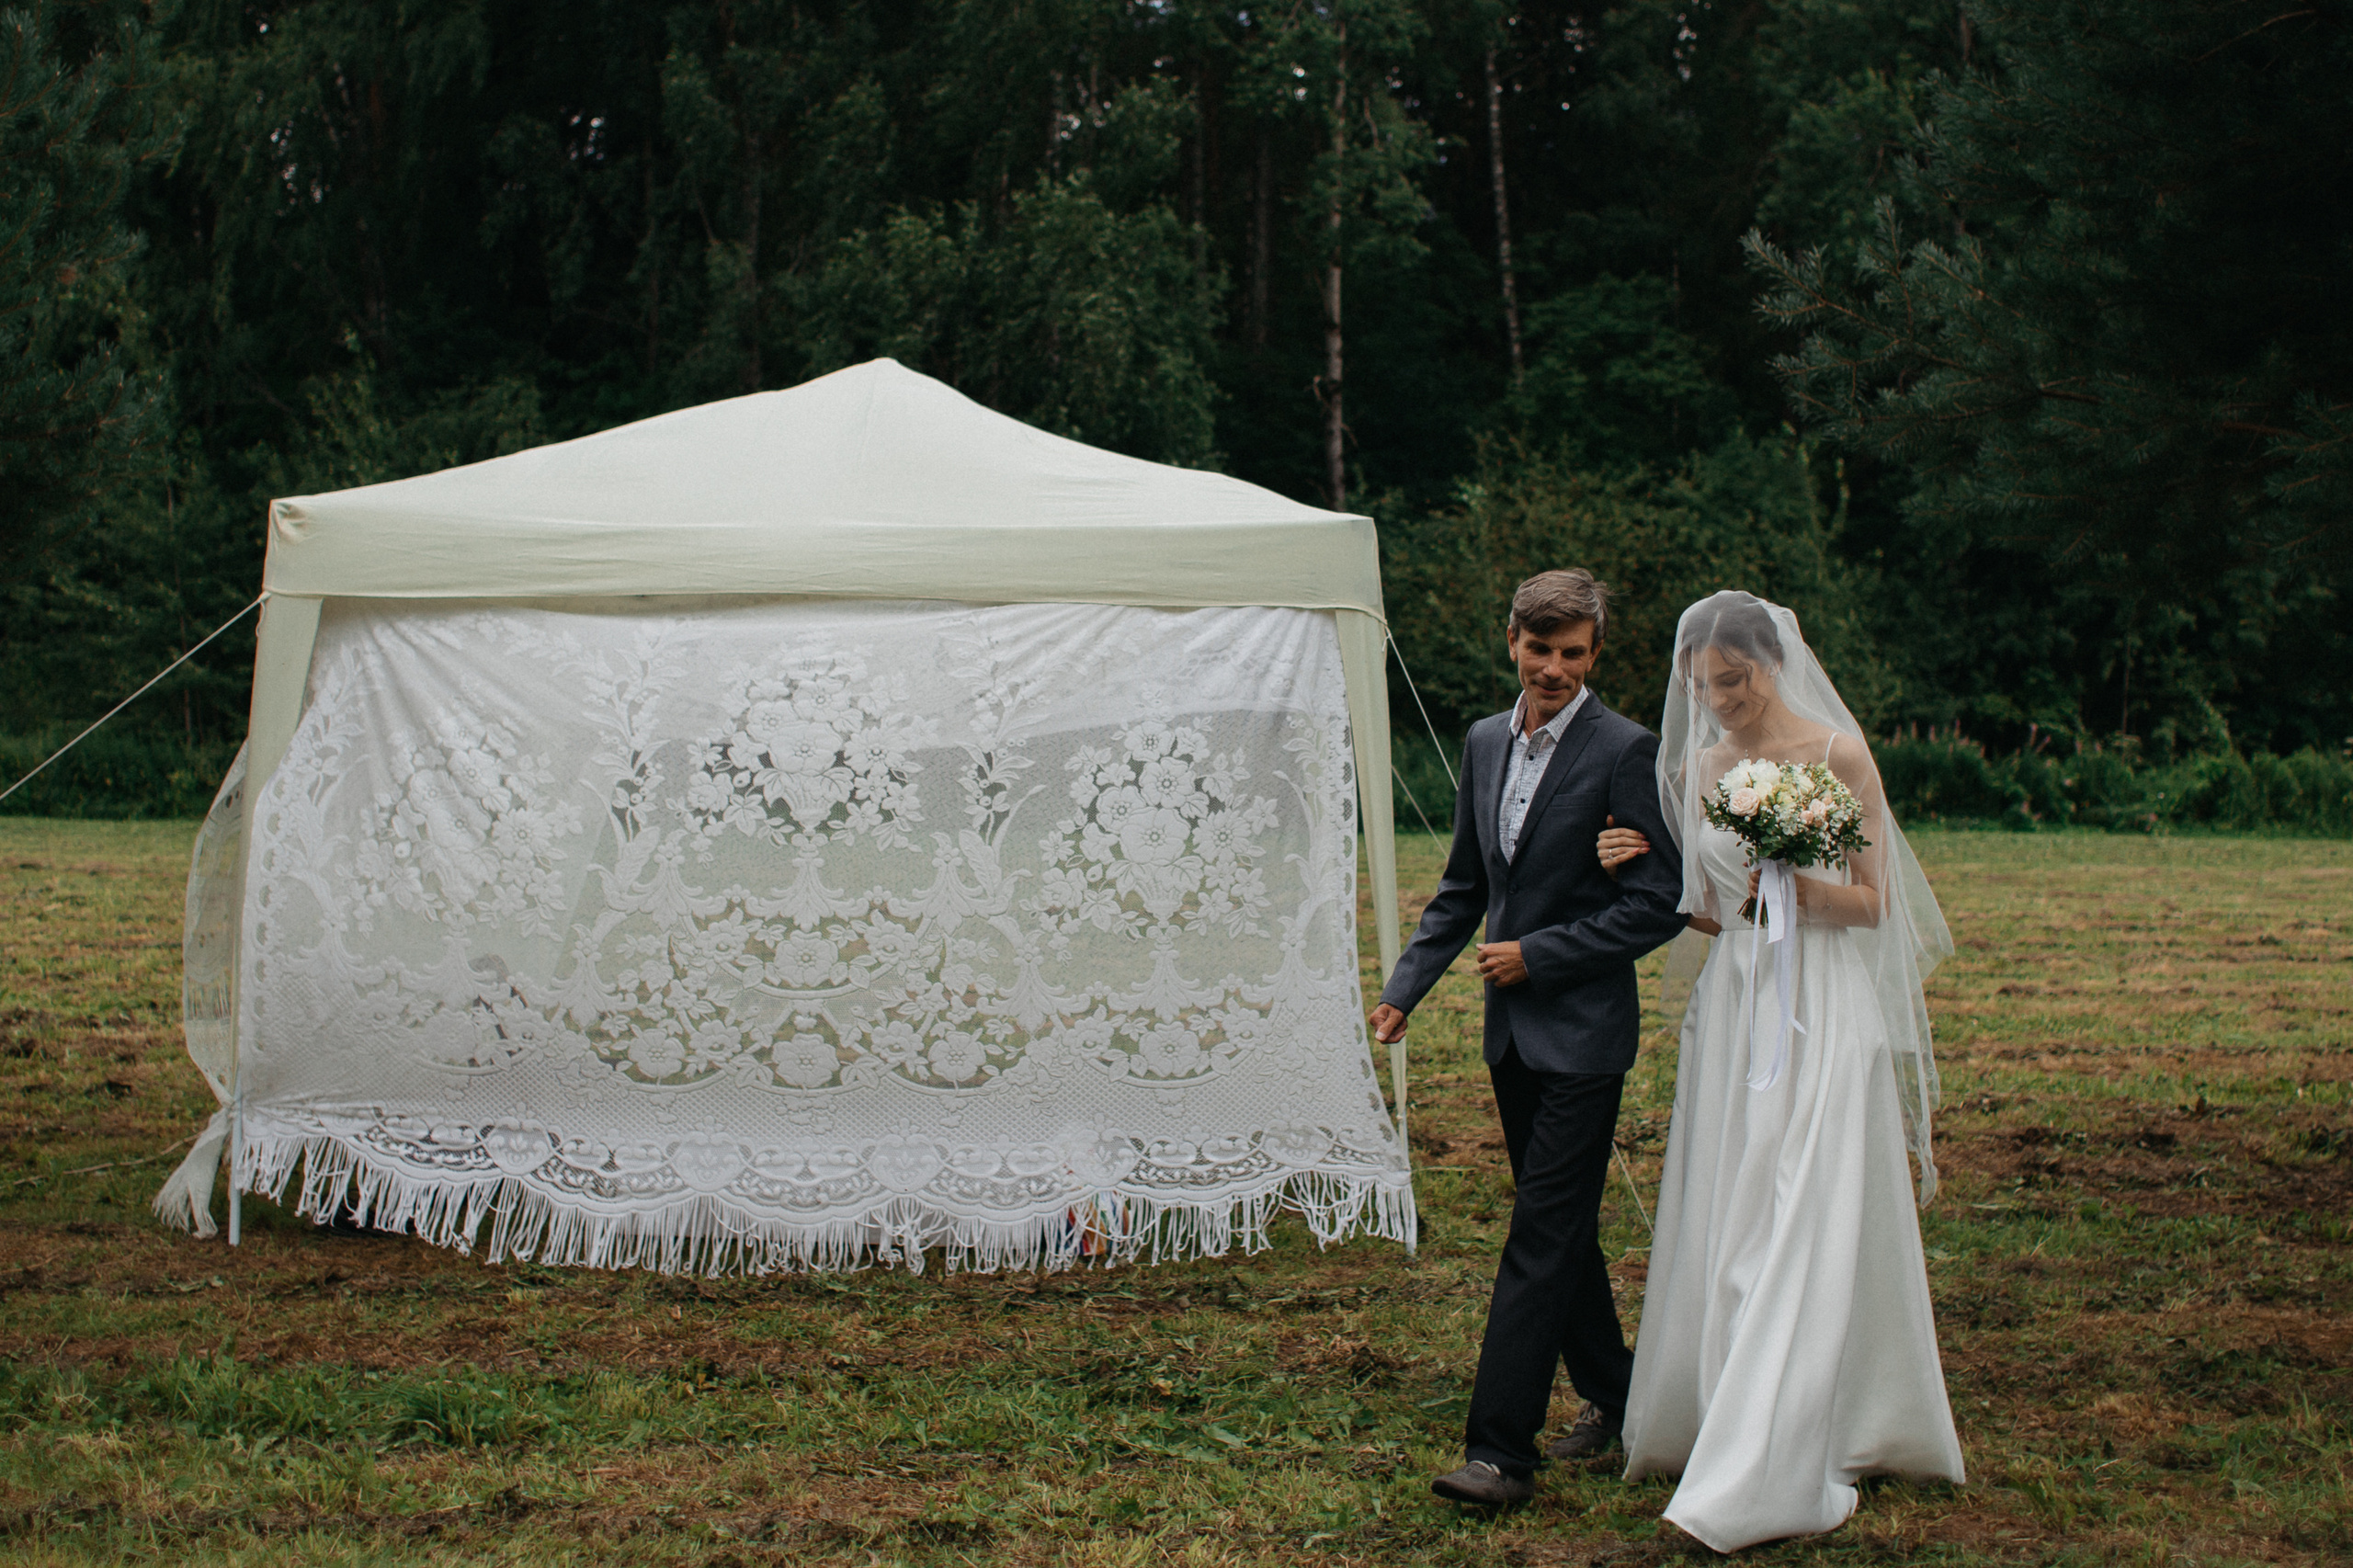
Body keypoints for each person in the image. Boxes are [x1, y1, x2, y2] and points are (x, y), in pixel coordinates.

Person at [1594, 590, 1965, 1551]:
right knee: (1741, 1197)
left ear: (1775, 662)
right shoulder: (1703, 766)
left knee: (1806, 1196)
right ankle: (1722, 1405)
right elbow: (1709, 910)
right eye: (1703, 684)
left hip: (1824, 1009)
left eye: (1734, 680)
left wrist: (1790, 885)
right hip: (1740, 1003)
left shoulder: (1837, 755)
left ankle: (1784, 1446)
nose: (1719, 700)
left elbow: (1875, 903)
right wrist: (1634, 859)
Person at [1369, 569, 1688, 1508]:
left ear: (1595, 655)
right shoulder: (1479, 741)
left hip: (1586, 1037)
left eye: (1572, 653)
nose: (1553, 667)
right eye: (1538, 648)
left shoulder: (1626, 749)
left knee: (1537, 1235)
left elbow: (1661, 900)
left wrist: (1538, 956)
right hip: (1510, 1039)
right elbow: (1467, 886)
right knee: (1561, 1233)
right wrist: (1403, 990)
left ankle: (1500, 1451)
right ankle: (1620, 1395)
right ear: (1510, 639)